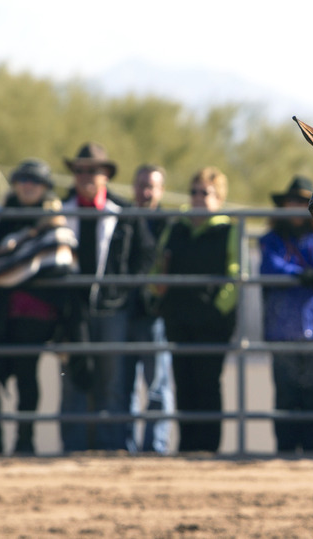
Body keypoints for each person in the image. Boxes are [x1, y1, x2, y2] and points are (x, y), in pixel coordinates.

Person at [0, 159, 78, 455]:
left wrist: (20, 264)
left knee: (27, 375)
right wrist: (15, 267)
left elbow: (59, 262)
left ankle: (25, 441)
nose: (28, 186)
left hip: (33, 314)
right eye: (22, 180)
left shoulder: (53, 222)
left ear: (45, 187)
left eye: (35, 181)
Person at [59, 143, 155, 452]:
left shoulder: (123, 212)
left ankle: (110, 448)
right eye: (80, 170)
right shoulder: (58, 212)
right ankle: (72, 448)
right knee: (74, 378)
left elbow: (146, 254)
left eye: (93, 170)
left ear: (106, 175)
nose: (86, 176)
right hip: (72, 312)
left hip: (113, 311)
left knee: (113, 381)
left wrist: (121, 291)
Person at [151, 167, 240, 452]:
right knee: (183, 383)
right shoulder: (176, 228)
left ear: (219, 197)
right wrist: (157, 291)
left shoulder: (229, 230)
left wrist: (215, 312)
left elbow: (235, 276)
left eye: (205, 192)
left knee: (207, 384)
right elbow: (158, 268)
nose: (198, 197)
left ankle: (208, 448)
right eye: (194, 191)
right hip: (178, 318)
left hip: (212, 323)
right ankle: (187, 446)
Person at [260, 176, 313, 454]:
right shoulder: (271, 239)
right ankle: (285, 449)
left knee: (312, 393)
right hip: (283, 328)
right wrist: (304, 275)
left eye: (303, 201)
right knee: (286, 393)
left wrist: (306, 275)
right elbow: (269, 267)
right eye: (293, 201)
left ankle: (310, 448)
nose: (297, 206)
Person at [124, 164, 175, 454]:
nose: (145, 191)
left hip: (155, 315)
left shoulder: (168, 223)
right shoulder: (123, 220)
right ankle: (127, 446)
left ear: (161, 190)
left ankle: (155, 448)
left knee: (157, 385)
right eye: (141, 184)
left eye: (151, 186)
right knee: (124, 386)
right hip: (124, 311)